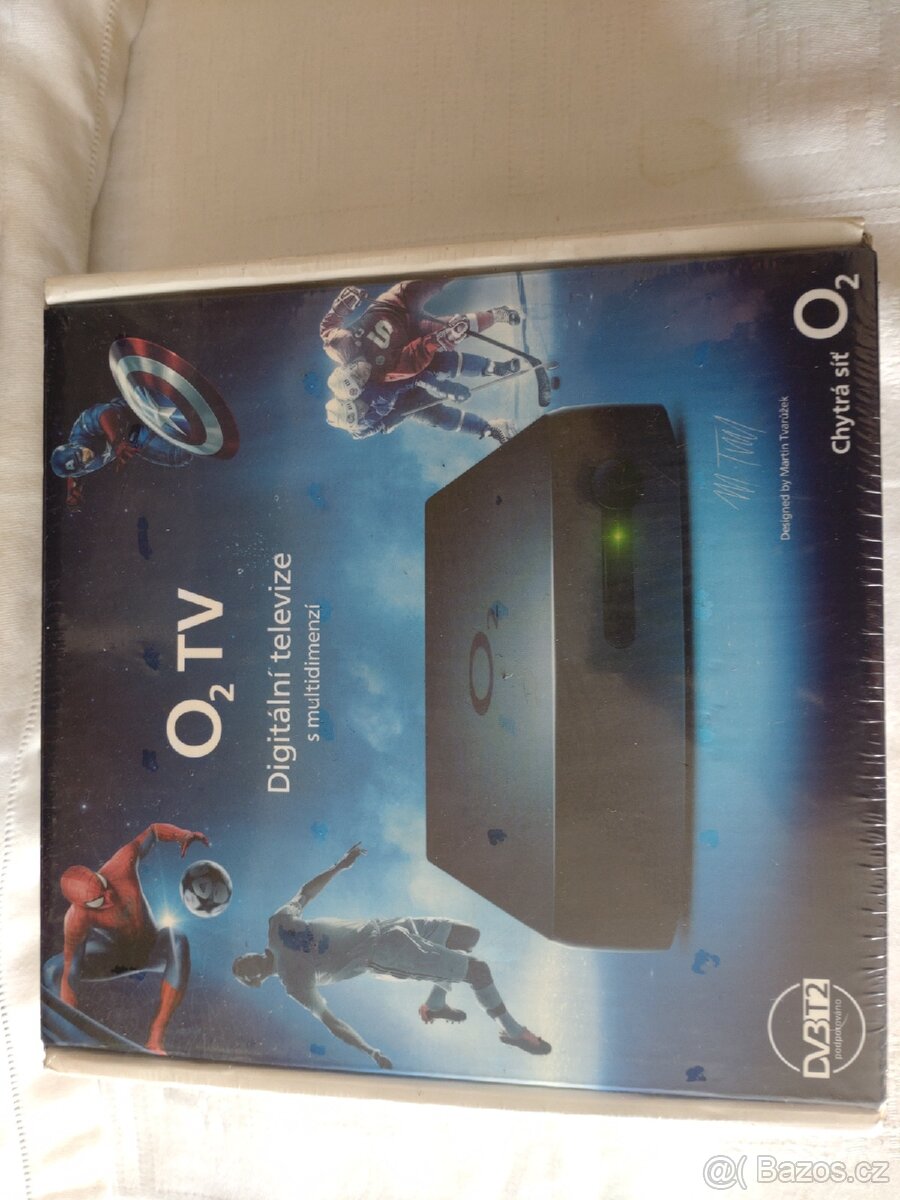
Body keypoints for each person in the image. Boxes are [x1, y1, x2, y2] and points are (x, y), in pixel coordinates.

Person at [232, 843, 551, 1069]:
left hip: (384, 926)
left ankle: (435, 1004)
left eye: (241, 960)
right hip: (384, 953)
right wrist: (369, 1050)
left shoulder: (276, 925)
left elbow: (305, 893)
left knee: (468, 937)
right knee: (478, 971)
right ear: (256, 981)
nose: (245, 964)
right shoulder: (293, 981)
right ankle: (514, 1032)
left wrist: (339, 866)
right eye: (243, 973)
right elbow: (331, 1022)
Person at [42, 822, 210, 1054]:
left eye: (104, 887)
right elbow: (72, 968)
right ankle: (69, 1030)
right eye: (99, 901)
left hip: (152, 947)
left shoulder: (121, 864)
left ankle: (156, 1037)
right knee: (54, 969)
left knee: (177, 938)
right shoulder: (76, 918)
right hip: (116, 957)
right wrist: (70, 1029)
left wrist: (183, 835)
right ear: (83, 905)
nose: (110, 898)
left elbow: (153, 831)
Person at [319, 278, 520, 402]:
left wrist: (341, 307)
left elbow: (328, 327)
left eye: (355, 374)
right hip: (415, 332)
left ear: (345, 366)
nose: (363, 374)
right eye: (361, 381)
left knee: (431, 278)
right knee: (458, 326)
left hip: (394, 304)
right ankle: (497, 314)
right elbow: (414, 358)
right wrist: (441, 339)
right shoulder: (384, 373)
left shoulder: (338, 346)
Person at [50, 396, 193, 509]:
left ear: (74, 445)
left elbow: (105, 412)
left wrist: (117, 441)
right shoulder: (78, 468)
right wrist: (73, 493)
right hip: (134, 437)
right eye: (82, 463)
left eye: (80, 453)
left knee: (173, 414)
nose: (86, 457)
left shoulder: (81, 430)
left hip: (131, 411)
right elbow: (73, 475)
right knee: (180, 456)